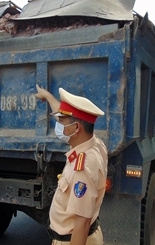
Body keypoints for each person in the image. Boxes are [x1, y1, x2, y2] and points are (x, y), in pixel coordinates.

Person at [35, 85, 108, 245]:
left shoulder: (83, 167)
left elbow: (82, 222)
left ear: (76, 128)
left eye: (61, 121)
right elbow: (68, 116)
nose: (58, 125)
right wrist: (47, 96)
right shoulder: (92, 143)